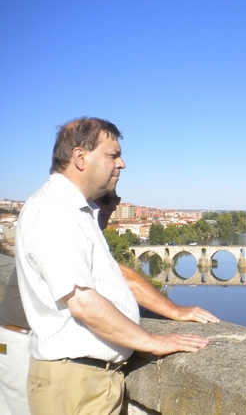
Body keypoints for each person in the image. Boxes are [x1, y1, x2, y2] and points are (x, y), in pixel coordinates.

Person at [13, 117, 211, 415]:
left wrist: (173, 312)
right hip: (77, 385)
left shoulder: (78, 211)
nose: (122, 164)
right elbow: (83, 302)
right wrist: (152, 341)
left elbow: (113, 278)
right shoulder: (52, 211)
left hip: (89, 380)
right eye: (113, 155)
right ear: (80, 157)